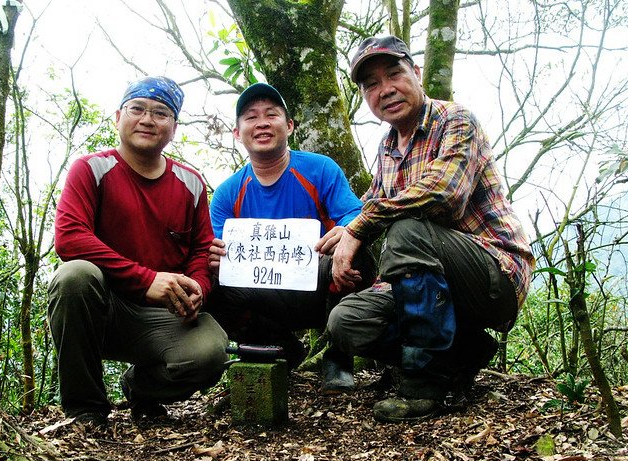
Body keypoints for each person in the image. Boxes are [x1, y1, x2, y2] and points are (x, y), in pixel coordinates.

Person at [327, 36, 535, 422]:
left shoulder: (456, 120)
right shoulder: (387, 148)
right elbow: (371, 205)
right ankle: (463, 352)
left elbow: (444, 194)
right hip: (435, 285)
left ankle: (424, 382)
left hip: (493, 273)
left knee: (406, 229)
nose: (385, 89)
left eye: (394, 74)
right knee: (347, 321)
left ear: (416, 73)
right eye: (371, 84)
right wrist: (344, 233)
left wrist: (361, 227)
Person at [47, 76, 228, 428]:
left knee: (211, 350)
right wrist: (146, 280)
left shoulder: (190, 182)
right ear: (118, 118)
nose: (147, 119)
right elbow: (69, 237)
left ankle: (143, 389)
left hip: (162, 317)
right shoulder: (91, 169)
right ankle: (86, 410)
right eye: (137, 109)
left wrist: (198, 289)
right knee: (74, 276)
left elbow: (201, 250)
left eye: (161, 113)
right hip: (102, 309)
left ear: (173, 128)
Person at [207, 83, 375, 369]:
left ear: (289, 125)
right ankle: (277, 347)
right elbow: (219, 252)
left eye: (271, 115)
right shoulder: (227, 193)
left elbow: (355, 215)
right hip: (263, 296)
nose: (262, 123)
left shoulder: (320, 169)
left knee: (357, 255)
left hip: (321, 286)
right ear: (237, 133)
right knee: (210, 284)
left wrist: (346, 230)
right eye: (250, 117)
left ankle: (338, 353)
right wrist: (213, 257)